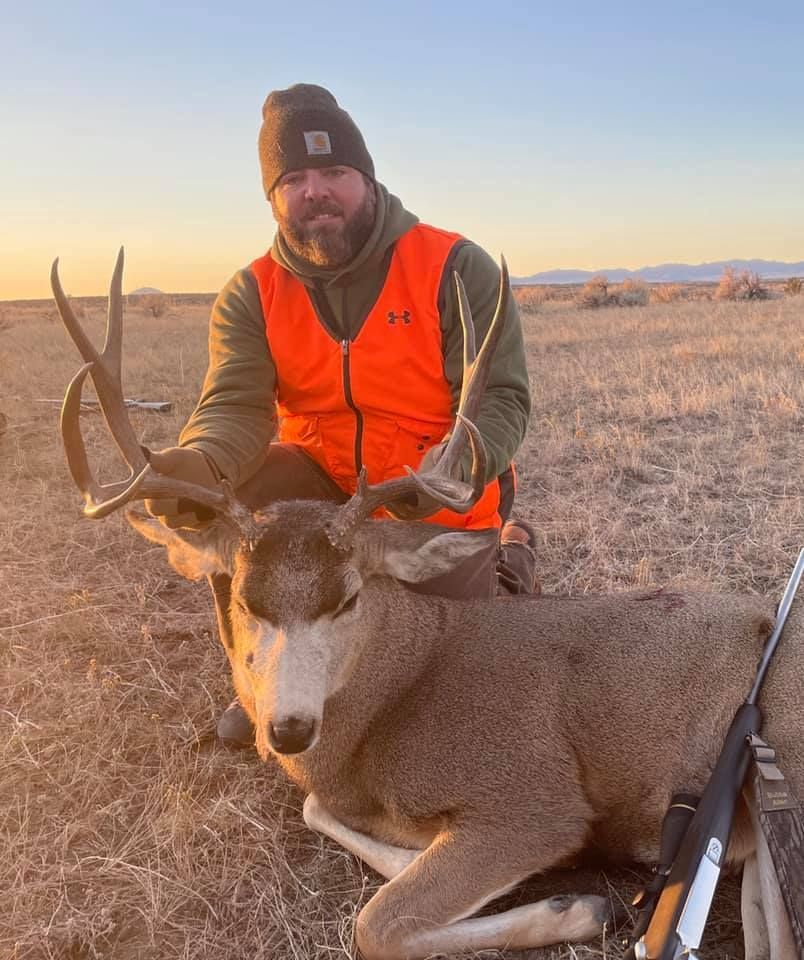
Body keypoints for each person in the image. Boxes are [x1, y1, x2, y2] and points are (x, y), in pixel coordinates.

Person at [146, 83, 538, 745]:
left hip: (432, 497)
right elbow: (234, 406)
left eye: (334, 172)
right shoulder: (252, 292)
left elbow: (501, 399)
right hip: (323, 493)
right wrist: (201, 463)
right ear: (273, 197)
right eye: (293, 178)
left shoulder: (453, 267)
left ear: (366, 179)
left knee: (446, 696)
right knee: (224, 499)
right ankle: (261, 679)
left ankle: (512, 555)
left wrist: (457, 466)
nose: (315, 191)